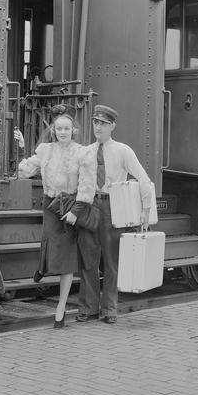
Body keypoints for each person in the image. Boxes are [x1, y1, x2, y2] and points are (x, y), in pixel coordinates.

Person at [14, 104, 96, 329]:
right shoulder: (45, 150)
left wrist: (75, 212)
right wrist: (20, 148)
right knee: (48, 242)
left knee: (67, 259)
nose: (62, 132)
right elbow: (24, 170)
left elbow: (87, 187)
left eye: (66, 128)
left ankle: (61, 306)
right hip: (51, 207)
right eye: (58, 128)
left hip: (69, 209)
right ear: (53, 130)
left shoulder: (83, 153)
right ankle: (43, 267)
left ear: (73, 131)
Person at [73, 104, 152, 324]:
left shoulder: (123, 151)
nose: (98, 127)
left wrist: (145, 211)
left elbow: (143, 179)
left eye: (103, 124)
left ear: (112, 126)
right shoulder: (85, 152)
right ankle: (88, 308)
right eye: (95, 122)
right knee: (88, 259)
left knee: (111, 260)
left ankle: (109, 310)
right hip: (89, 206)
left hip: (113, 207)